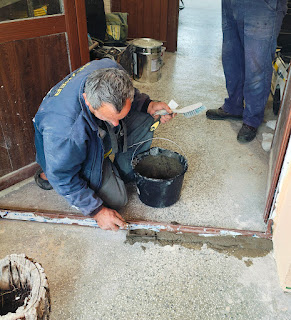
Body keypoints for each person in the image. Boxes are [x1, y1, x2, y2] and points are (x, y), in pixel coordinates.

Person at [33, 59, 174, 231]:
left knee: (147, 116)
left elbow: (132, 96)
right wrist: (97, 211)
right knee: (118, 200)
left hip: (82, 131)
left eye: (119, 116)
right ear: (88, 100)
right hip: (63, 149)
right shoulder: (66, 131)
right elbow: (62, 177)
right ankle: (49, 172)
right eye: (108, 117)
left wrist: (149, 105)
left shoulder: (111, 69)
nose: (115, 124)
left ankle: (119, 171)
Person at [206, 0, 287, 143]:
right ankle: (234, 106)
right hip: (231, 4)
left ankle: (252, 119)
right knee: (232, 60)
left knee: (257, 66)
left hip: (262, 6)